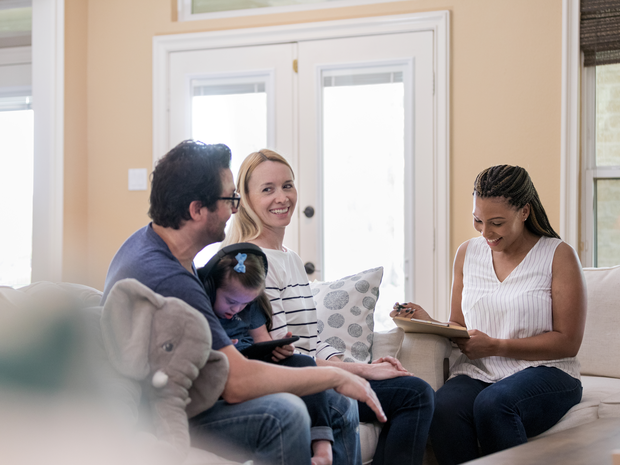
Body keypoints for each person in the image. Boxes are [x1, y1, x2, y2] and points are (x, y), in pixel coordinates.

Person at [101, 140, 387, 465]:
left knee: (338, 403)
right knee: (285, 413)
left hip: (191, 389)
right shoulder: (169, 279)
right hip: (170, 409)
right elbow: (236, 384)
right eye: (230, 199)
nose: (235, 209)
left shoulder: (154, 244)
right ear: (196, 209)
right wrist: (336, 376)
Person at [224, 148, 436, 465]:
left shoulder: (291, 258)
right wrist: (361, 370)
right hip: (296, 382)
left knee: (416, 391)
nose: (282, 197)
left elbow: (310, 337)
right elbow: (284, 356)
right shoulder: (253, 263)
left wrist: (345, 361)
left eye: (287, 185)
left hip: (315, 371)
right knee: (412, 394)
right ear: (247, 200)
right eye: (267, 189)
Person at [399, 164, 586, 464]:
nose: (486, 232)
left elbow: (567, 342)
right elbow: (459, 325)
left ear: (524, 212)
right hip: (480, 371)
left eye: (496, 222)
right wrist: (428, 321)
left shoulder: (558, 255)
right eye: (477, 220)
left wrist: (497, 346)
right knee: (442, 406)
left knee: (493, 404)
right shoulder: (467, 254)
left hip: (548, 371)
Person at [197, 243, 348, 465]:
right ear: (212, 287)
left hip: (253, 360)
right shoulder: (201, 304)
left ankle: (322, 445)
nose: (236, 309)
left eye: (245, 304)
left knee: (305, 364)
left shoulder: (249, 305)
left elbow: (261, 341)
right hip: (224, 368)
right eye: (231, 301)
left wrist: (278, 349)